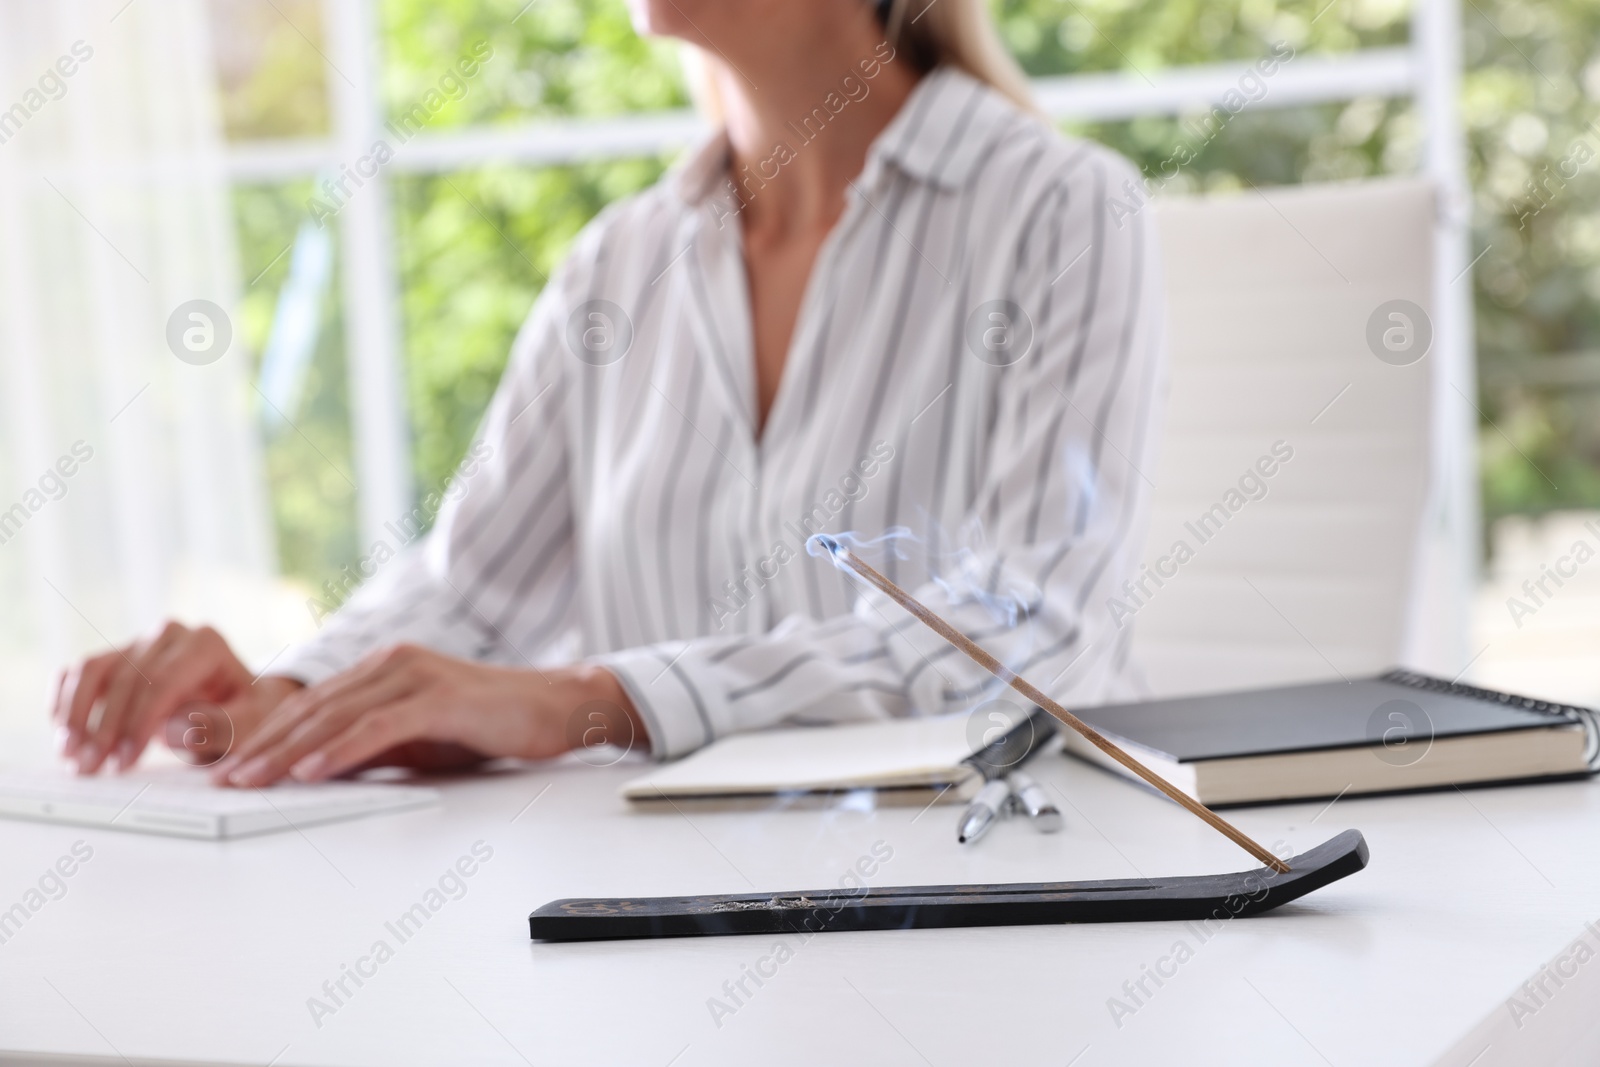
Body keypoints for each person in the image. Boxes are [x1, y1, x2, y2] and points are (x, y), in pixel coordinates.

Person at [53, 0, 1164, 786]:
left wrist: (591, 697)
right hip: (664, 910)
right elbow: (471, 591)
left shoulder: (1060, 213)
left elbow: (1030, 631)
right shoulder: (620, 264)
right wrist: (290, 697)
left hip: (994, 902)